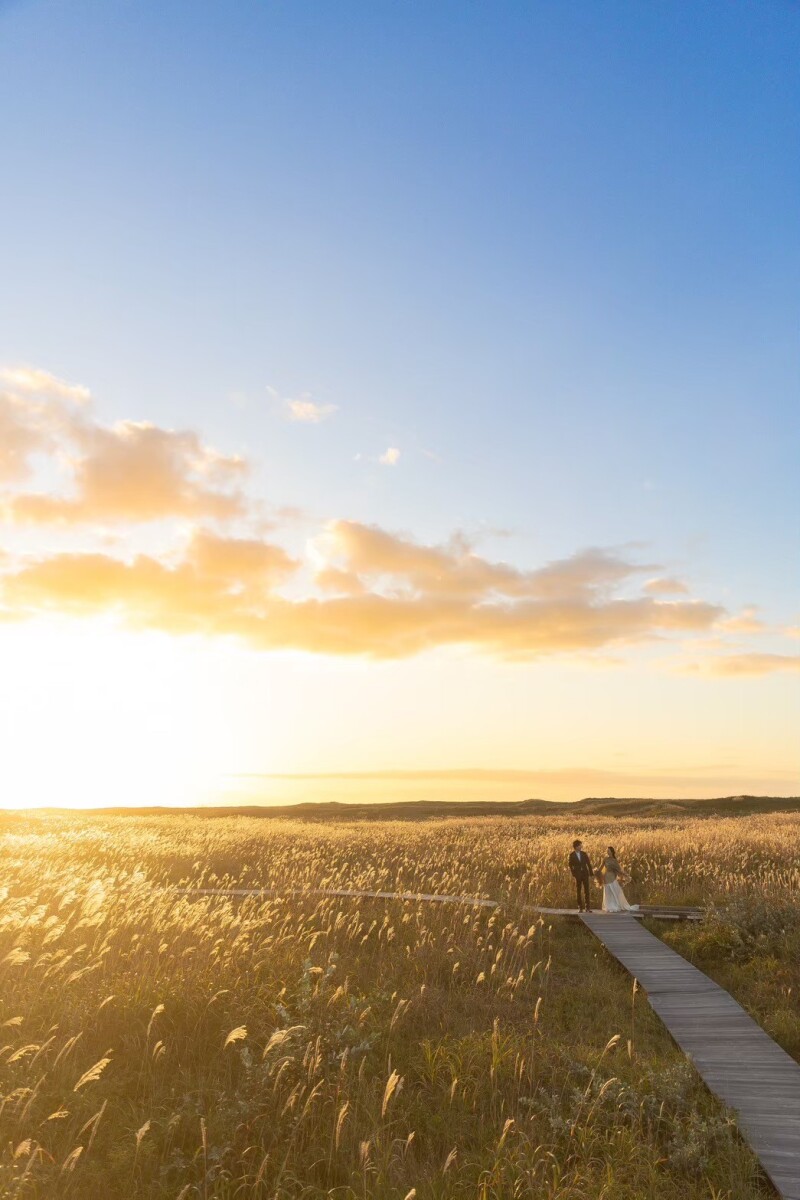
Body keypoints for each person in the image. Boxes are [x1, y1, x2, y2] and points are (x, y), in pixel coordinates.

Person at [599, 846, 637, 913]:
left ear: (612, 852)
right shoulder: (605, 859)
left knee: (615, 891)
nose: (607, 851)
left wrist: (625, 875)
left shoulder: (614, 860)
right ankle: (609, 906)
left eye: (609, 850)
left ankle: (616, 905)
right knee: (608, 892)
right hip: (606, 877)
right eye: (607, 850)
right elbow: (600, 868)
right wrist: (597, 872)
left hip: (612, 877)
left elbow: (619, 870)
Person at [568, 838, 595, 912]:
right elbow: (570, 865)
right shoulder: (572, 855)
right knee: (578, 891)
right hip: (578, 875)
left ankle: (587, 908)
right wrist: (574, 874)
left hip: (585, 874)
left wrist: (591, 873)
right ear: (576, 846)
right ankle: (580, 907)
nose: (581, 846)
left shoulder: (584, 854)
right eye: (580, 845)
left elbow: (588, 864)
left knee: (587, 890)